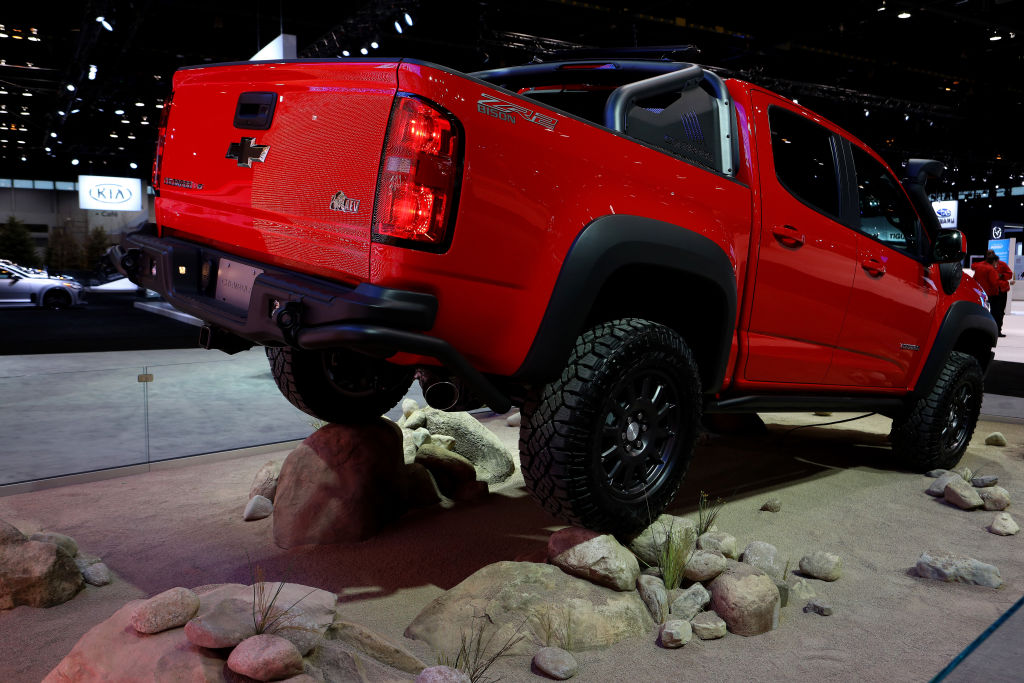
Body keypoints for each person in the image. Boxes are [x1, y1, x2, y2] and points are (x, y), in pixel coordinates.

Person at [973, 250, 1015, 337]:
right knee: (997, 312)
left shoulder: (1000, 264)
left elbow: (1009, 274)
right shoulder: (988, 267)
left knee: (996, 312)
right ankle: (994, 331)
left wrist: (1002, 276)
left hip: (992, 292)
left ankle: (992, 330)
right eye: (989, 254)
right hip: (995, 292)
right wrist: (1007, 283)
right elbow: (994, 282)